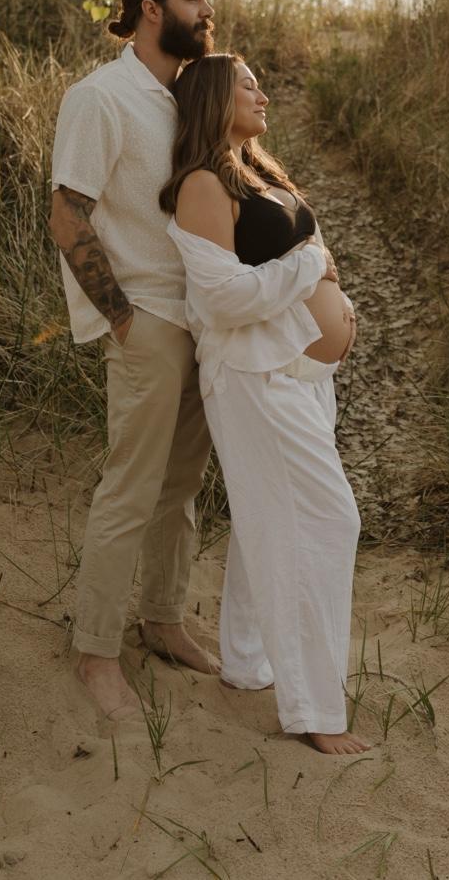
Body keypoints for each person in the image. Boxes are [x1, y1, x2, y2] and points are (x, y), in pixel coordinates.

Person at [160, 53, 369, 755]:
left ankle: (249, 664)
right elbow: (221, 300)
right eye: (248, 85)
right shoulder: (200, 185)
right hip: (254, 376)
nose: (263, 94)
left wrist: (336, 304)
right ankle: (315, 712)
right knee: (328, 522)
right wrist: (311, 268)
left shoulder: (257, 171)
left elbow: (307, 254)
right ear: (214, 99)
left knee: (266, 525)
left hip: (300, 373)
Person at [48, 0, 221, 719]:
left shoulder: (189, 96)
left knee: (180, 491)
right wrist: (122, 318)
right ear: (152, 9)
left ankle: (163, 620)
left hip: (202, 322)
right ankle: (95, 653)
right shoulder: (100, 98)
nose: (206, 12)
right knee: (130, 489)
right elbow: (67, 215)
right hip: (147, 320)